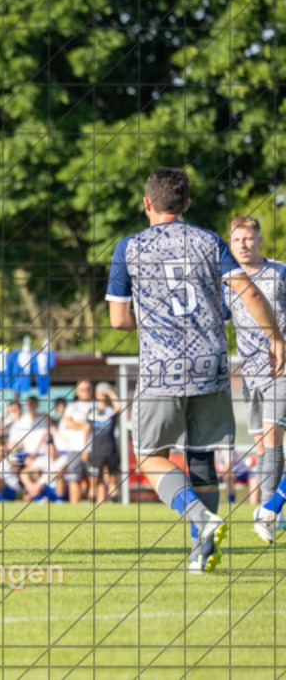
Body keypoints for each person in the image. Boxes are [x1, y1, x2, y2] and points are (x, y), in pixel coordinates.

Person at [107, 167, 285, 573]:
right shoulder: (209, 241)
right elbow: (249, 292)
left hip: (161, 369)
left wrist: (153, 320)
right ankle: (201, 552)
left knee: (150, 455)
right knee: (202, 458)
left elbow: (118, 319)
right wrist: (275, 337)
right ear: (186, 204)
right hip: (211, 365)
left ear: (147, 203)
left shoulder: (128, 248)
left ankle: (202, 520)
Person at [223, 216, 286, 542]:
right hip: (250, 374)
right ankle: (269, 508)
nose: (243, 245)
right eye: (237, 241)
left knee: (273, 439)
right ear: (230, 244)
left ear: (259, 240)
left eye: (248, 239)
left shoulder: (280, 273)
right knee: (261, 445)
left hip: (281, 369)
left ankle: (269, 511)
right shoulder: (227, 281)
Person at [86, 383, 122, 505]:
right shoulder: (92, 411)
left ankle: (113, 505)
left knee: (113, 478)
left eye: (104, 393)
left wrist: (110, 393)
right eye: (100, 393)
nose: (102, 395)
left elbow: (119, 407)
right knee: (96, 480)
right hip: (96, 450)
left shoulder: (111, 410)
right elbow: (87, 431)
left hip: (111, 449)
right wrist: (86, 449)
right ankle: (99, 503)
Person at [61, 381, 95, 504]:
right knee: (74, 479)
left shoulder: (97, 405)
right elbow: (68, 422)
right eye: (82, 389)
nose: (85, 392)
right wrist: (84, 425)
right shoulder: (72, 407)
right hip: (75, 448)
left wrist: (83, 424)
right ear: (77, 392)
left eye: (88, 389)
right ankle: (74, 509)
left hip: (94, 448)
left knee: (96, 480)